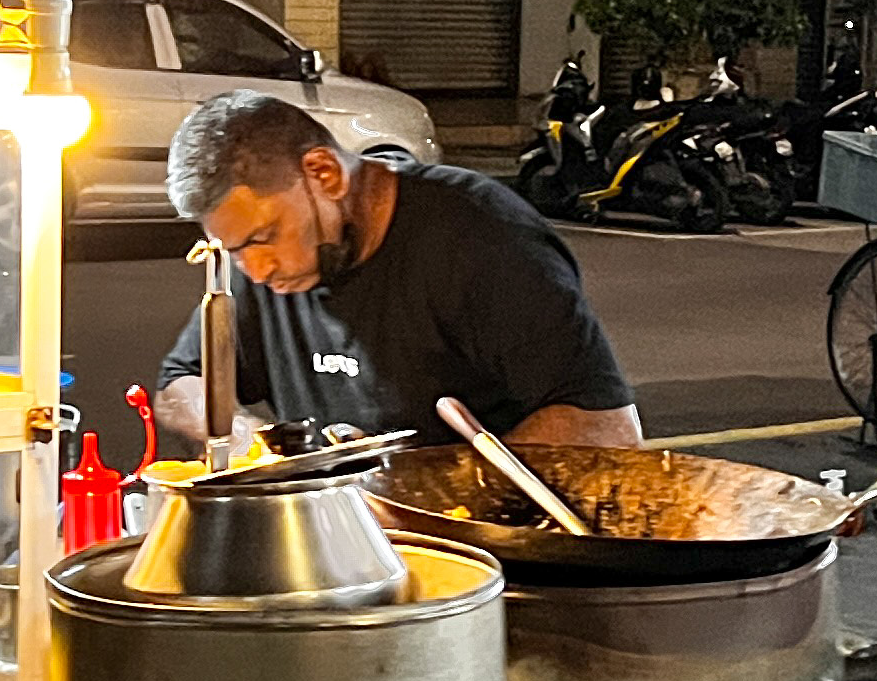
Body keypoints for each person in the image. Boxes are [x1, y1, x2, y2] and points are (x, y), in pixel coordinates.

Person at [153, 89, 639, 452]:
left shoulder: (480, 237)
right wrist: (249, 439)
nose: (256, 271)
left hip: (490, 551)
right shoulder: (266, 264)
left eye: (263, 237)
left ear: (325, 174)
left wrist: (423, 488)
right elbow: (181, 383)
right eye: (233, 250)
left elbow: (605, 426)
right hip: (343, 543)